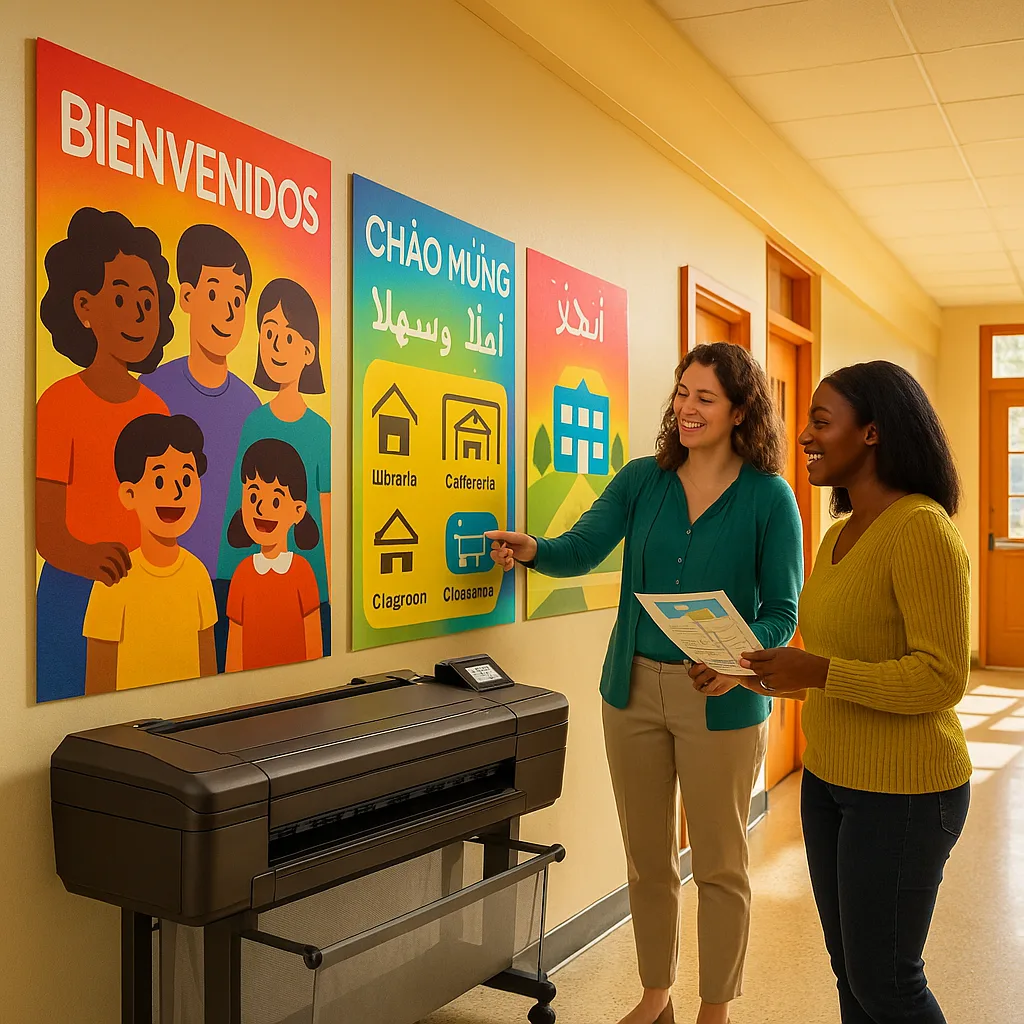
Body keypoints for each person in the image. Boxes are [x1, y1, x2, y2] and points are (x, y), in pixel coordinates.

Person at [487, 343, 803, 1024]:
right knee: (648, 859)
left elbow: (782, 613)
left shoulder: (769, 499)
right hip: (630, 692)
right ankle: (655, 995)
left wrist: (739, 662)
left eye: (705, 398)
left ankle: (713, 1009)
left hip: (723, 698)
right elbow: (582, 546)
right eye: (682, 393)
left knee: (720, 864)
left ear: (740, 411)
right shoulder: (642, 480)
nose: (686, 408)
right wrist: (534, 549)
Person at [738, 360, 971, 1024]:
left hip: (905, 792)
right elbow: (842, 656)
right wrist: (773, 669)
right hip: (830, 781)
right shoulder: (839, 536)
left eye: (820, 419)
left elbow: (939, 677)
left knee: (888, 983)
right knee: (852, 977)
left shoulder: (921, 529)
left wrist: (818, 673)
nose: (803, 434)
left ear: (872, 433)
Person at [36, 207, 174, 701]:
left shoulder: (156, 408)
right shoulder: (57, 404)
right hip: (72, 596)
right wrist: (90, 558)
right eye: (120, 297)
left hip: (139, 593)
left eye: (148, 300)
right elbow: (45, 528)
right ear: (83, 307)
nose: (138, 313)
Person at [146, 224, 260, 668]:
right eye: (215, 294)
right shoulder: (155, 392)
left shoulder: (252, 406)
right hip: (165, 582)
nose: (228, 311)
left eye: (238, 299)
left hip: (232, 587)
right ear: (189, 296)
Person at [218, 279, 332, 655]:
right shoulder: (253, 422)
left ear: (308, 351)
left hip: (306, 577)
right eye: (268, 334)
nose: (276, 347)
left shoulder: (321, 430)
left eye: (287, 337)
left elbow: (326, 512)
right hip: (251, 577)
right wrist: (228, 575)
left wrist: (328, 588)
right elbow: (240, 499)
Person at [83, 413, 217, 691]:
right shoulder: (114, 579)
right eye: (159, 481)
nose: (177, 492)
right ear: (129, 494)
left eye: (187, 479)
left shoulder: (198, 576)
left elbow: (208, 674)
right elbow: (97, 685)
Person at [224, 438, 322, 672]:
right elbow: (234, 651)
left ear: (298, 511)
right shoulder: (242, 574)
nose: (261, 508)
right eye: (253, 496)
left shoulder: (302, 571)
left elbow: (314, 646)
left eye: (276, 500)